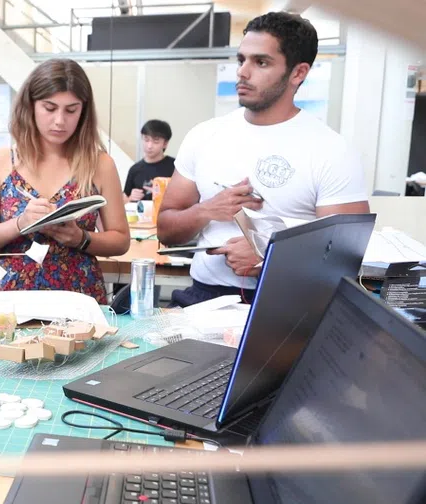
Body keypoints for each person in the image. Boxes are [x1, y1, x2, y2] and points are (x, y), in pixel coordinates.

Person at [157, 11, 370, 308]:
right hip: (201, 299)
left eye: (261, 62)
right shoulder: (204, 135)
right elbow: (166, 230)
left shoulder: (331, 150)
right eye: (241, 60)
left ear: (298, 73)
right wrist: (207, 210)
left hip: (286, 305)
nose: (243, 72)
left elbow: (346, 259)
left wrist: (267, 256)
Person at [0, 59, 130, 304]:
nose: (60, 121)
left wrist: (81, 239)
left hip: (79, 299)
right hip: (13, 299)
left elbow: (120, 240)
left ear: (83, 111)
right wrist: (20, 223)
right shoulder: (2, 161)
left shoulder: (99, 164)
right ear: (30, 106)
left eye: (71, 110)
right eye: (49, 108)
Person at [124, 120, 175, 202]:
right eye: (146, 140)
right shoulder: (135, 169)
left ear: (165, 143)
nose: (149, 146)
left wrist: (162, 195)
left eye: (156, 141)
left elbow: (185, 198)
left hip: (165, 214)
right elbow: (124, 199)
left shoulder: (175, 167)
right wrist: (130, 198)